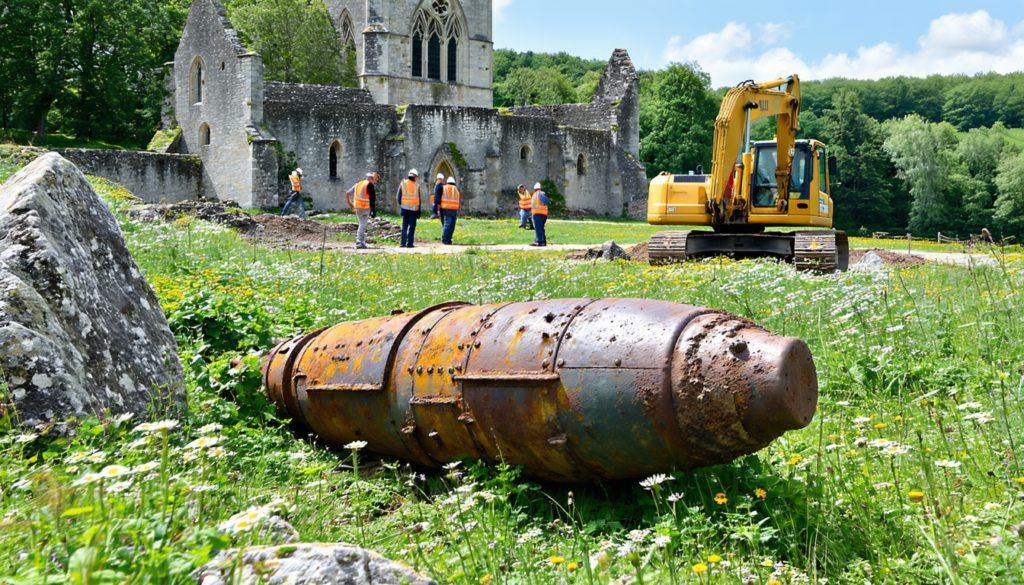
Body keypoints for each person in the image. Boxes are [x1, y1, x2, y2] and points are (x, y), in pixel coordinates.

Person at [346, 172, 378, 249]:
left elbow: (347, 193)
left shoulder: (358, 184)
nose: (374, 182)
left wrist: (349, 203)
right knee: (362, 225)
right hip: (365, 207)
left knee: (362, 224)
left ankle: (361, 242)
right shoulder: (369, 185)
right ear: (370, 179)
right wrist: (373, 210)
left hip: (357, 207)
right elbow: (372, 199)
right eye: (374, 180)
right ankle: (359, 242)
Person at [397, 169, 422, 248]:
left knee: (404, 226)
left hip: (404, 208)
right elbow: (419, 199)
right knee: (412, 227)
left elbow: (398, 197)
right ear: (415, 177)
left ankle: (403, 243)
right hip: (414, 210)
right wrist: (419, 212)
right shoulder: (417, 186)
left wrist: (401, 205)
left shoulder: (403, 184)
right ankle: (410, 243)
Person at [440, 176, 460, 245]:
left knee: (447, 224)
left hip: (446, 208)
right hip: (454, 209)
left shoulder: (444, 188)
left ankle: (445, 239)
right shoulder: (456, 189)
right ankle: (449, 239)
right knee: (452, 225)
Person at [529, 182, 548, 247]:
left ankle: (539, 241)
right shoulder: (542, 194)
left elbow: (533, 204)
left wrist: (531, 211)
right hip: (544, 213)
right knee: (541, 227)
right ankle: (543, 241)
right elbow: (546, 202)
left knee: (538, 228)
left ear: (535, 189)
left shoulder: (535, 195)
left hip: (537, 213)